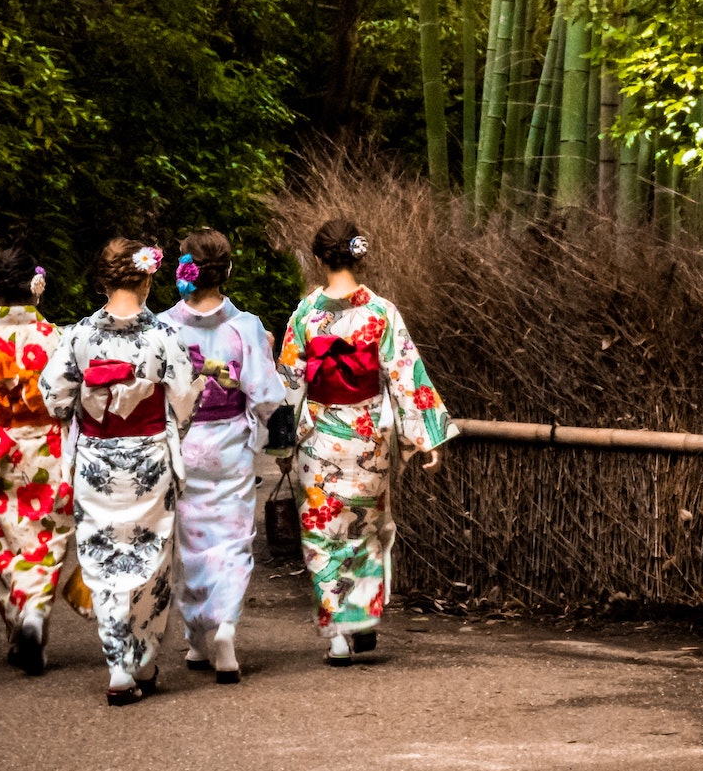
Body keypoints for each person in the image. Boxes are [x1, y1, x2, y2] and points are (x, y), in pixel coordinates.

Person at [277, 219, 456, 666]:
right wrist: (425, 437)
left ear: (319, 259)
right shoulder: (382, 312)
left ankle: (337, 632)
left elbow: (288, 385)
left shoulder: (304, 315)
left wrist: (280, 445)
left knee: (321, 532)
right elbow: (404, 374)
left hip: (318, 435)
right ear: (358, 256)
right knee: (364, 529)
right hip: (367, 436)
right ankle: (362, 617)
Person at [41, 238, 200, 705]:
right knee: (152, 560)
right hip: (150, 457)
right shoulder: (164, 336)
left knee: (104, 560)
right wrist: (168, 430)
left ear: (104, 279)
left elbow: (53, 396)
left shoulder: (78, 335)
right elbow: (185, 399)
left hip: (96, 458)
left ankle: (117, 668)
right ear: (148, 278)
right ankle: (145, 658)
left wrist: (87, 409)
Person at [158, 229, 284, 683]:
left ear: (184, 271)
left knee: (191, 543)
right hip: (230, 445)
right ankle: (226, 627)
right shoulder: (245, 326)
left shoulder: (163, 327)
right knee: (231, 540)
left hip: (185, 444)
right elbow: (267, 394)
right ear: (227, 271)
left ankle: (195, 640)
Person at [0, 246, 89, 675]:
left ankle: (18, 623)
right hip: (48, 447)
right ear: (36, 288)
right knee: (49, 537)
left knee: (4, 538)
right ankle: (37, 612)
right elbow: (74, 397)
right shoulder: (57, 338)